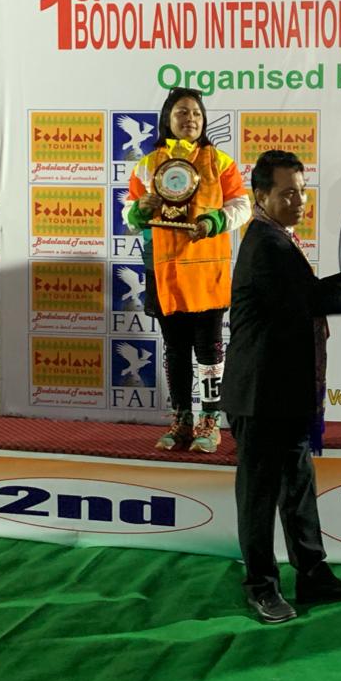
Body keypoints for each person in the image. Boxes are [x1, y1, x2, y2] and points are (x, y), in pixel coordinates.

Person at [221, 149, 341, 624]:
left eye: (302, 192)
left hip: (285, 390)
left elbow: (300, 292)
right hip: (259, 394)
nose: (298, 201)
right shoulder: (266, 244)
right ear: (260, 196)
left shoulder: (277, 239)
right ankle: (261, 587)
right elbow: (302, 300)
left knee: (298, 487)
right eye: (287, 193)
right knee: (259, 496)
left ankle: (312, 573)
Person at [124, 88, 250, 452]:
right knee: (175, 349)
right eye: (182, 112)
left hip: (207, 272)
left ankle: (210, 422)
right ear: (167, 118)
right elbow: (129, 213)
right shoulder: (148, 164)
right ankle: (180, 421)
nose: (190, 119)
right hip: (165, 271)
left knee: (209, 350)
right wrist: (139, 210)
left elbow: (242, 206)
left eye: (196, 112)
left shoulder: (219, 162)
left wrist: (213, 222)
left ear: (204, 120)